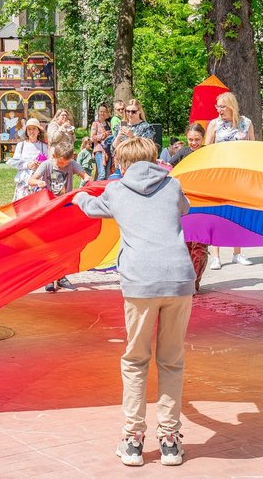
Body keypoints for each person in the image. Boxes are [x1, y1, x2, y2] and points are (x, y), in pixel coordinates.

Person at [72, 136, 194, 467]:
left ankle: (133, 440)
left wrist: (78, 195)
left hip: (141, 282)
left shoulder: (116, 191)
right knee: (171, 360)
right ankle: (169, 440)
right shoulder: (172, 185)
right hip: (180, 279)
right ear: (155, 159)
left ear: (121, 164)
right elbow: (185, 208)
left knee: (136, 360)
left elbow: (89, 208)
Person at [30, 141, 91, 292]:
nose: (63, 165)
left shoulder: (72, 164)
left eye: (66, 162)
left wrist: (87, 179)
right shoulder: (47, 165)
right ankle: (49, 277)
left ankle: (61, 276)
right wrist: (39, 182)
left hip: (64, 210)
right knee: (49, 244)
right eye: (60, 162)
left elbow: (85, 176)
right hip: (49, 210)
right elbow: (31, 180)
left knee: (63, 244)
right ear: (54, 156)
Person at [204, 92, 255, 268]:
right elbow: (206, 149)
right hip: (219, 174)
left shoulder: (246, 123)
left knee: (238, 212)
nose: (218, 110)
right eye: (217, 106)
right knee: (218, 212)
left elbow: (253, 148)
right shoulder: (214, 124)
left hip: (239, 174)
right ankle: (216, 256)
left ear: (231, 106)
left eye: (222, 106)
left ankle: (237, 253)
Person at [170, 123, 208, 291]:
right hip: (185, 203)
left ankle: (194, 282)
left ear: (203, 138)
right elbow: (169, 166)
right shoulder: (183, 153)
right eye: (191, 139)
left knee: (199, 245)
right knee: (186, 244)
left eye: (197, 139)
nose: (194, 143)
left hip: (205, 204)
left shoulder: (209, 153)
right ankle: (187, 281)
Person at [6, 117, 48, 200]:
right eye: (29, 129)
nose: (31, 131)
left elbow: (47, 162)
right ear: (26, 131)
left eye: (34, 129)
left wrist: (40, 165)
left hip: (38, 180)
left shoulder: (44, 146)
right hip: (23, 180)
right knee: (22, 205)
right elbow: (15, 162)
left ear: (38, 131)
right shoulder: (21, 145)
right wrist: (27, 165)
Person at [90, 103, 112, 181]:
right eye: (100, 111)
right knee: (102, 174)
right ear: (98, 112)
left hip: (108, 151)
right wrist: (103, 135)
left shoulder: (109, 124)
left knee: (107, 175)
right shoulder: (95, 124)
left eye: (104, 111)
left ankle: (103, 192)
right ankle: (95, 190)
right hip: (99, 150)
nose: (102, 113)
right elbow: (92, 138)